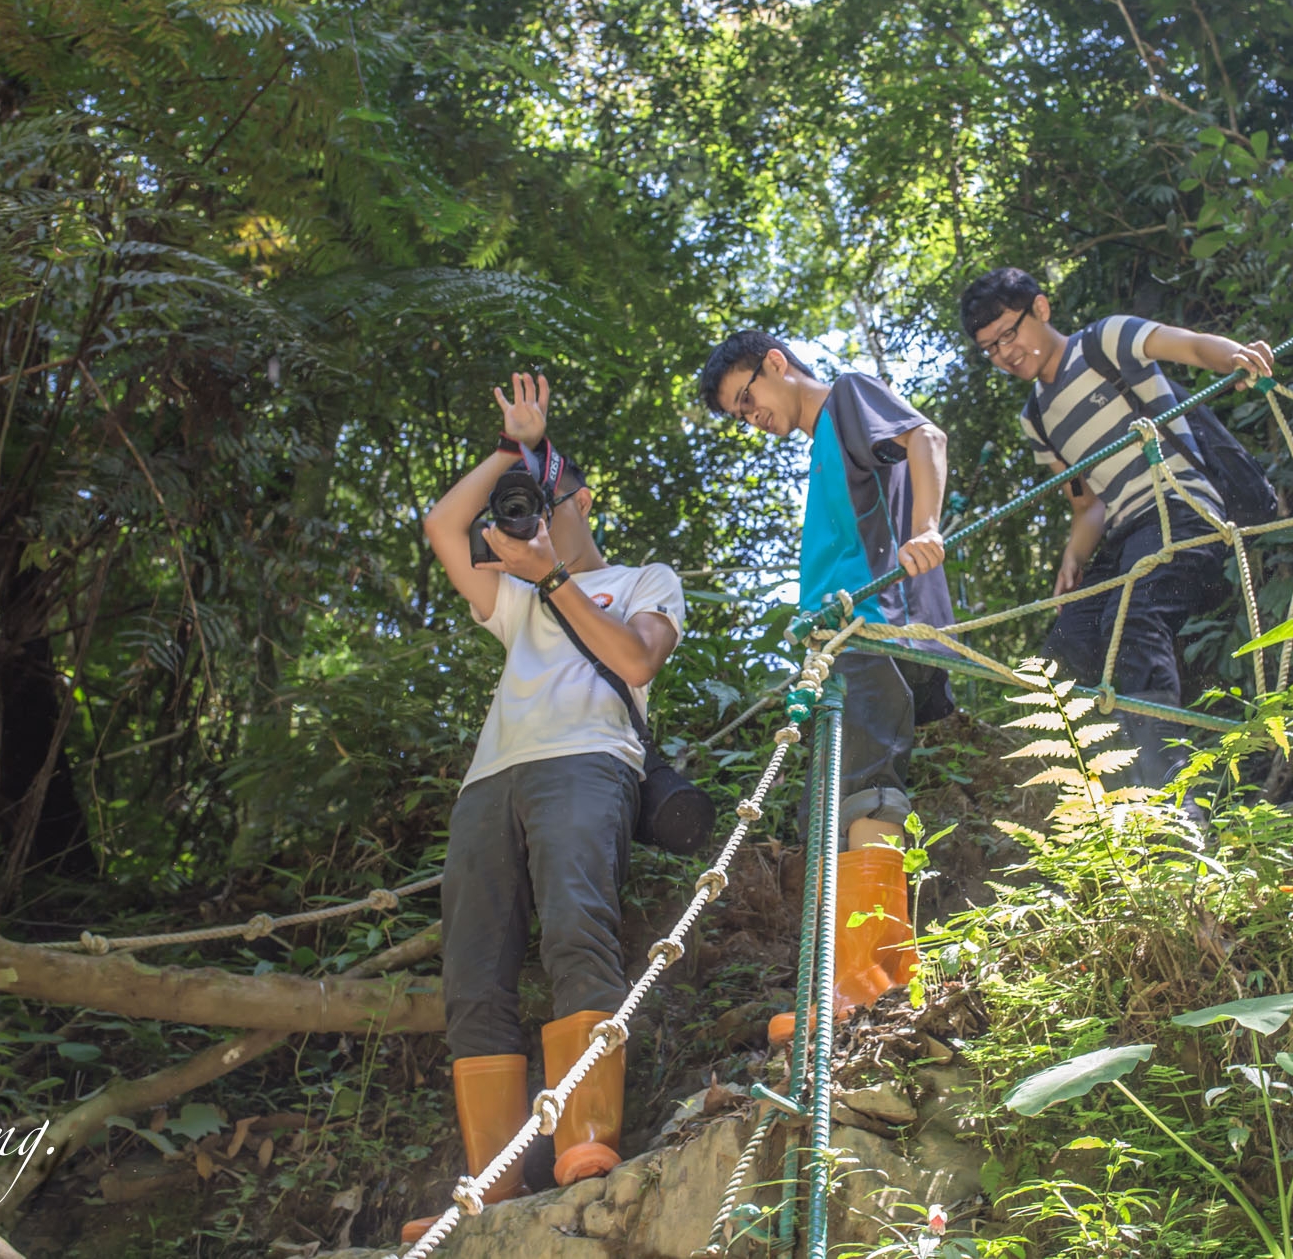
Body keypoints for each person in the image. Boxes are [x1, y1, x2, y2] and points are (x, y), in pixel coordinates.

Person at [403, 372, 687, 1242]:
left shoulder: (646, 578)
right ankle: (492, 1177)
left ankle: (586, 1137)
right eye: (530, 498)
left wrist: (554, 573)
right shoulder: (515, 592)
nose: (539, 508)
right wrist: (509, 452)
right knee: (474, 969)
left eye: (552, 492)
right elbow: (441, 528)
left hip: (588, 763)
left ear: (583, 501)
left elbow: (637, 663)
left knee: (577, 928)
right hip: (492, 779)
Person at [698, 332, 952, 1041]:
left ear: (776, 363)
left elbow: (924, 435)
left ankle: (874, 984)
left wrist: (925, 530)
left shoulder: (846, 395)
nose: (752, 416)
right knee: (831, 810)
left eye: (748, 397)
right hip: (840, 644)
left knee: (867, 782)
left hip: (872, 626)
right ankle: (846, 983)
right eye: (738, 414)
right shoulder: (822, 449)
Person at [959, 268, 1274, 791]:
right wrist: (1072, 559)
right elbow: (1088, 507)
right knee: (1060, 661)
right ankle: (1099, 802)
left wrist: (1235, 356)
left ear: (1040, 309)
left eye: (1009, 334)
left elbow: (1191, 348)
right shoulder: (1036, 417)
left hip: (1181, 504)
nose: (1005, 354)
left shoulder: (1103, 342)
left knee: (1133, 622)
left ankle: (1171, 798)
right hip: (1126, 530)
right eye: (990, 349)